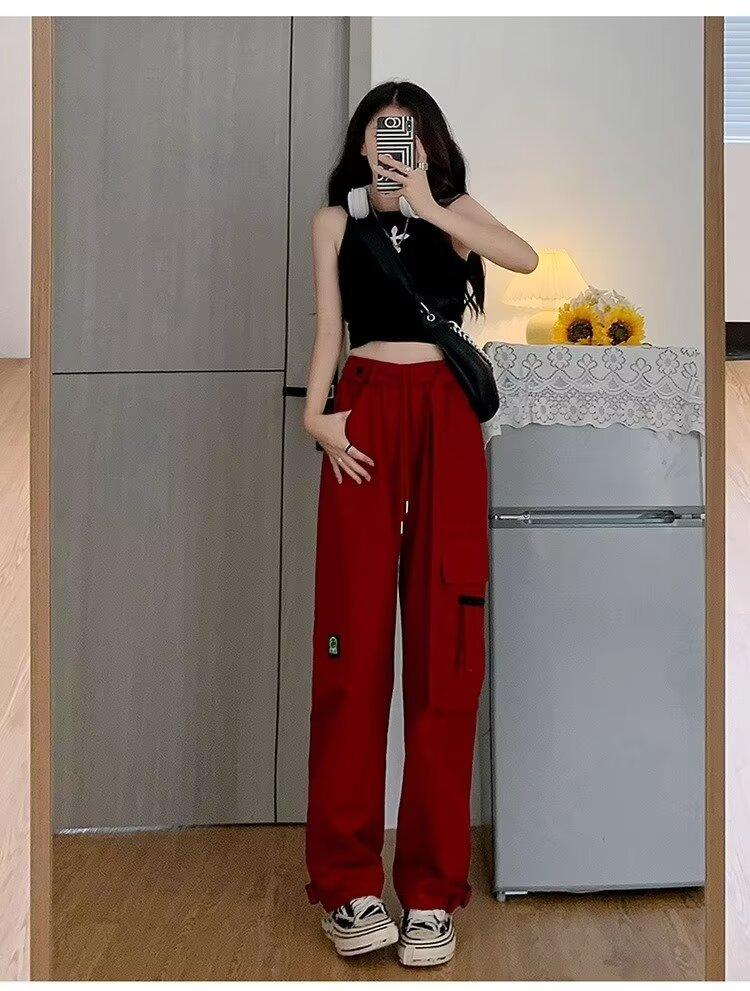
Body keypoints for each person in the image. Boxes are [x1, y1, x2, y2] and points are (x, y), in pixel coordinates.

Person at [303, 80, 537, 968]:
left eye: (406, 133)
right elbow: (329, 330)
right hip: (362, 415)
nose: (390, 146)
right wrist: (317, 416)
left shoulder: (453, 211)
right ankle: (348, 883)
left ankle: (432, 893)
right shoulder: (334, 222)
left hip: (444, 415)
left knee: (447, 649)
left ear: (429, 144)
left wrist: (435, 206)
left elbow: (524, 257)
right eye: (379, 133)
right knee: (352, 650)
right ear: (360, 145)